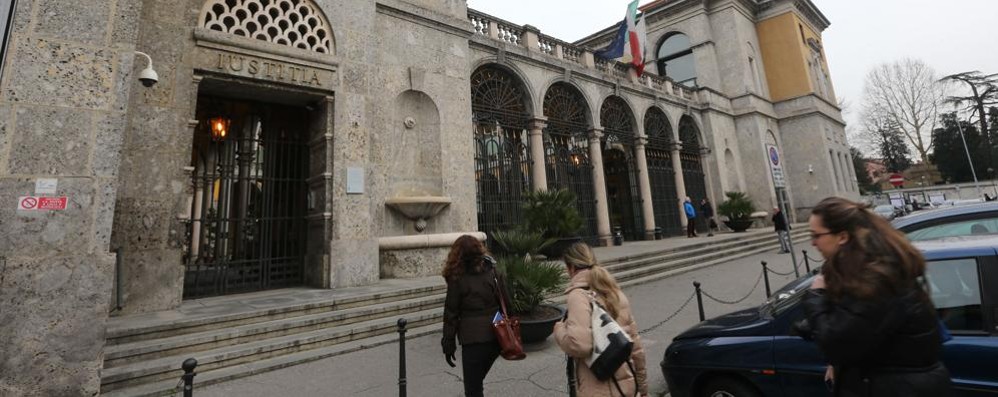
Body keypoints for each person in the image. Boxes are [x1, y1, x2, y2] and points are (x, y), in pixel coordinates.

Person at [793, 197, 951, 397]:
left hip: (899, 388)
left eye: (816, 235)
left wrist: (816, 296)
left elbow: (837, 343)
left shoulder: (876, 278)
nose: (812, 242)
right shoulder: (862, 269)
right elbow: (858, 325)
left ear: (842, 236)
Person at [554, 243, 649, 397]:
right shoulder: (614, 291)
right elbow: (637, 349)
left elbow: (580, 345)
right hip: (627, 386)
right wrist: (642, 389)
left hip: (598, 389)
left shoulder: (578, 296)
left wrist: (559, 330)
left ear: (571, 268)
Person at [441, 235, 507, 397]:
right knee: (476, 383)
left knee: (473, 389)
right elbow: (506, 301)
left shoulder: (457, 277)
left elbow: (451, 313)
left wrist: (448, 343)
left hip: (473, 340)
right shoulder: (492, 270)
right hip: (496, 336)